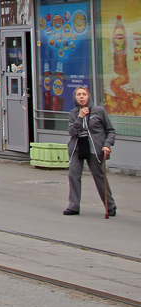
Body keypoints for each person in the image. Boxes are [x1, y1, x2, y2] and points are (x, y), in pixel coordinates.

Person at [65, 86, 116, 216]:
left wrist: (107, 145)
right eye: (79, 95)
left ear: (89, 97)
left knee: (99, 176)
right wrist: (80, 117)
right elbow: (72, 132)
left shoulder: (99, 111)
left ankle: (110, 205)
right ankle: (74, 206)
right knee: (73, 175)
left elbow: (110, 131)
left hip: (94, 147)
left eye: (84, 94)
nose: (81, 97)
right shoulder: (73, 113)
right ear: (75, 98)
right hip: (77, 147)